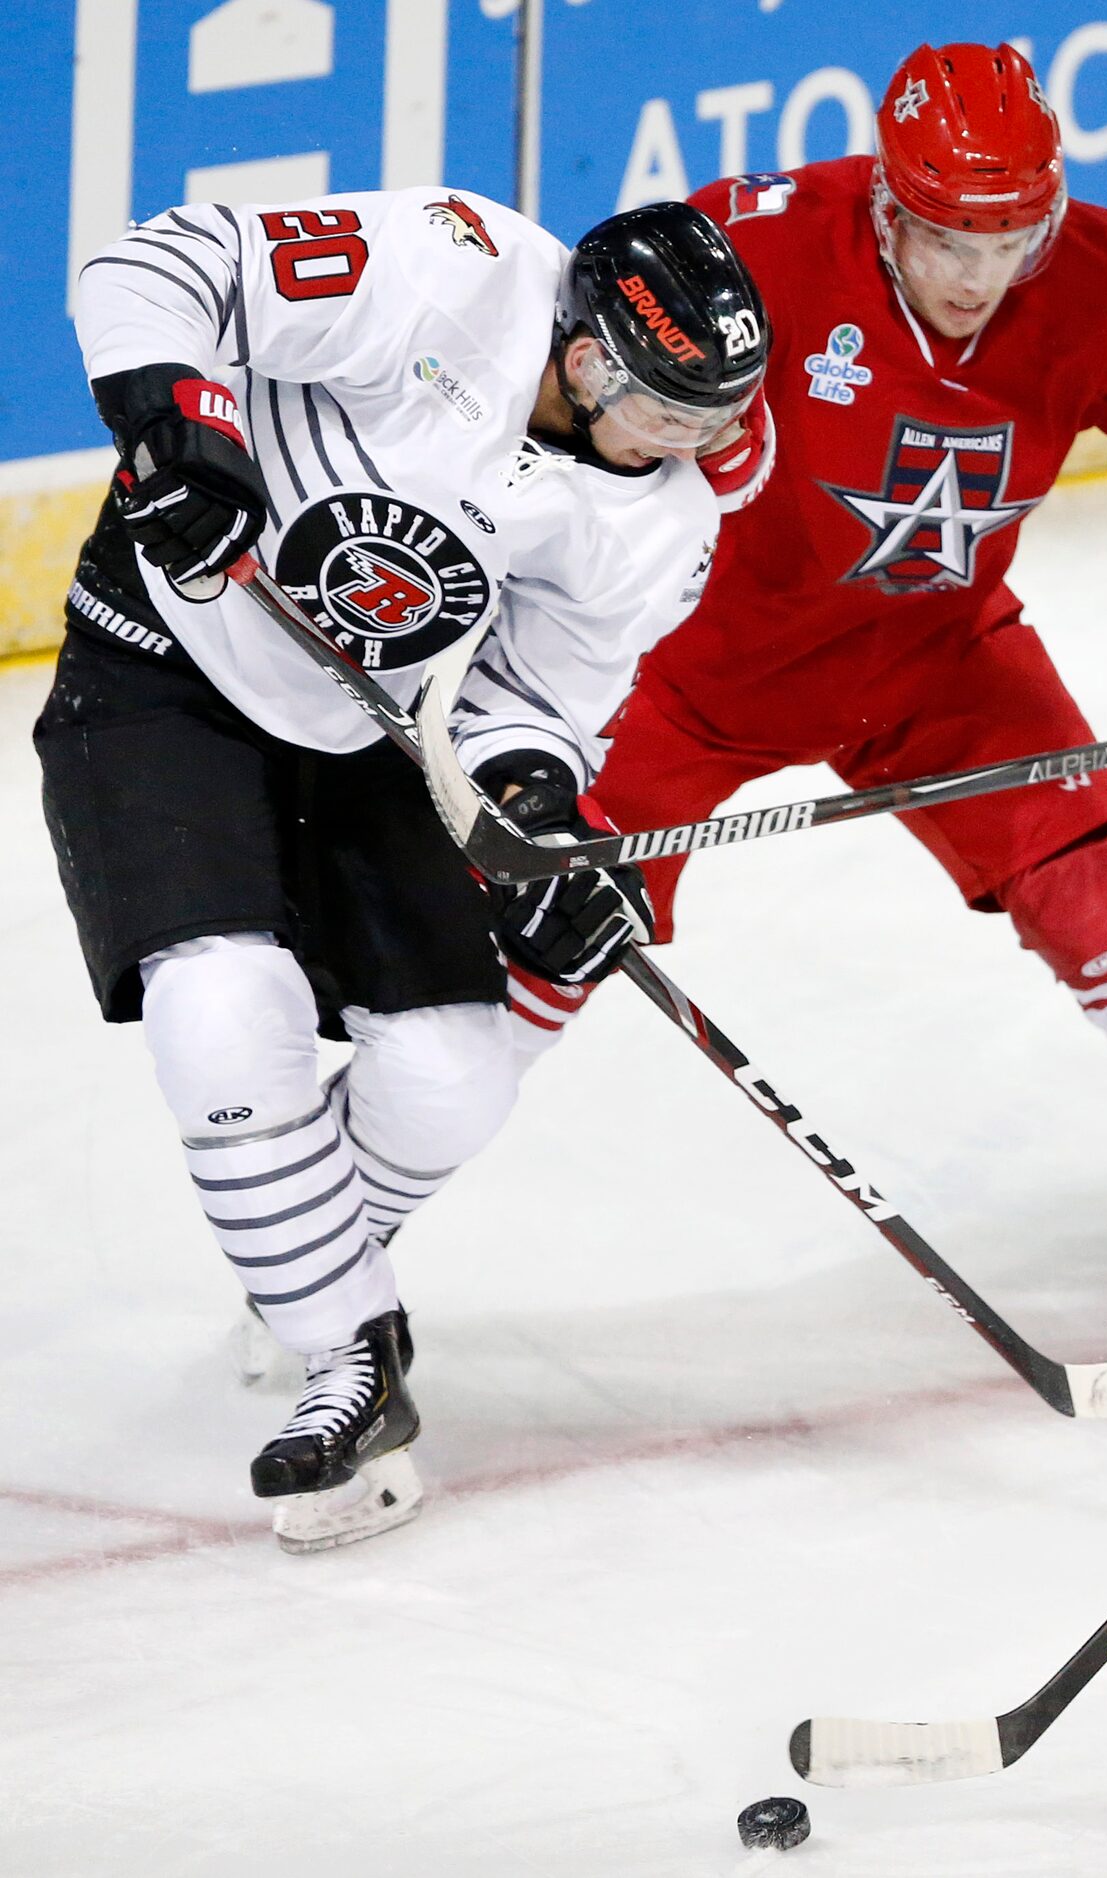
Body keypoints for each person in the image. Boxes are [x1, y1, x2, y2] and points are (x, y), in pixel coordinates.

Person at [533, 42, 1107, 1335]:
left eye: (1012, 242)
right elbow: (566, 399)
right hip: (689, 667)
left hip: (941, 661)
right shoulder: (744, 246)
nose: (980, 279)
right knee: (528, 939)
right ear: (885, 201)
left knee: (1106, 902)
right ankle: (331, 1265)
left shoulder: (1104, 279)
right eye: (946, 241)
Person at [40, 190, 769, 1549]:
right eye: (667, 411)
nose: (688, 446)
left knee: (453, 1076)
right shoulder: (450, 268)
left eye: (709, 422)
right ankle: (347, 1356)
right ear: (590, 352)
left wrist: (536, 821)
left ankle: (301, 1257)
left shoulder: (663, 519)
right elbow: (155, 266)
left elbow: (533, 698)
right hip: (164, 665)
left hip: (377, 731)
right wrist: (178, 430)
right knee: (222, 1007)